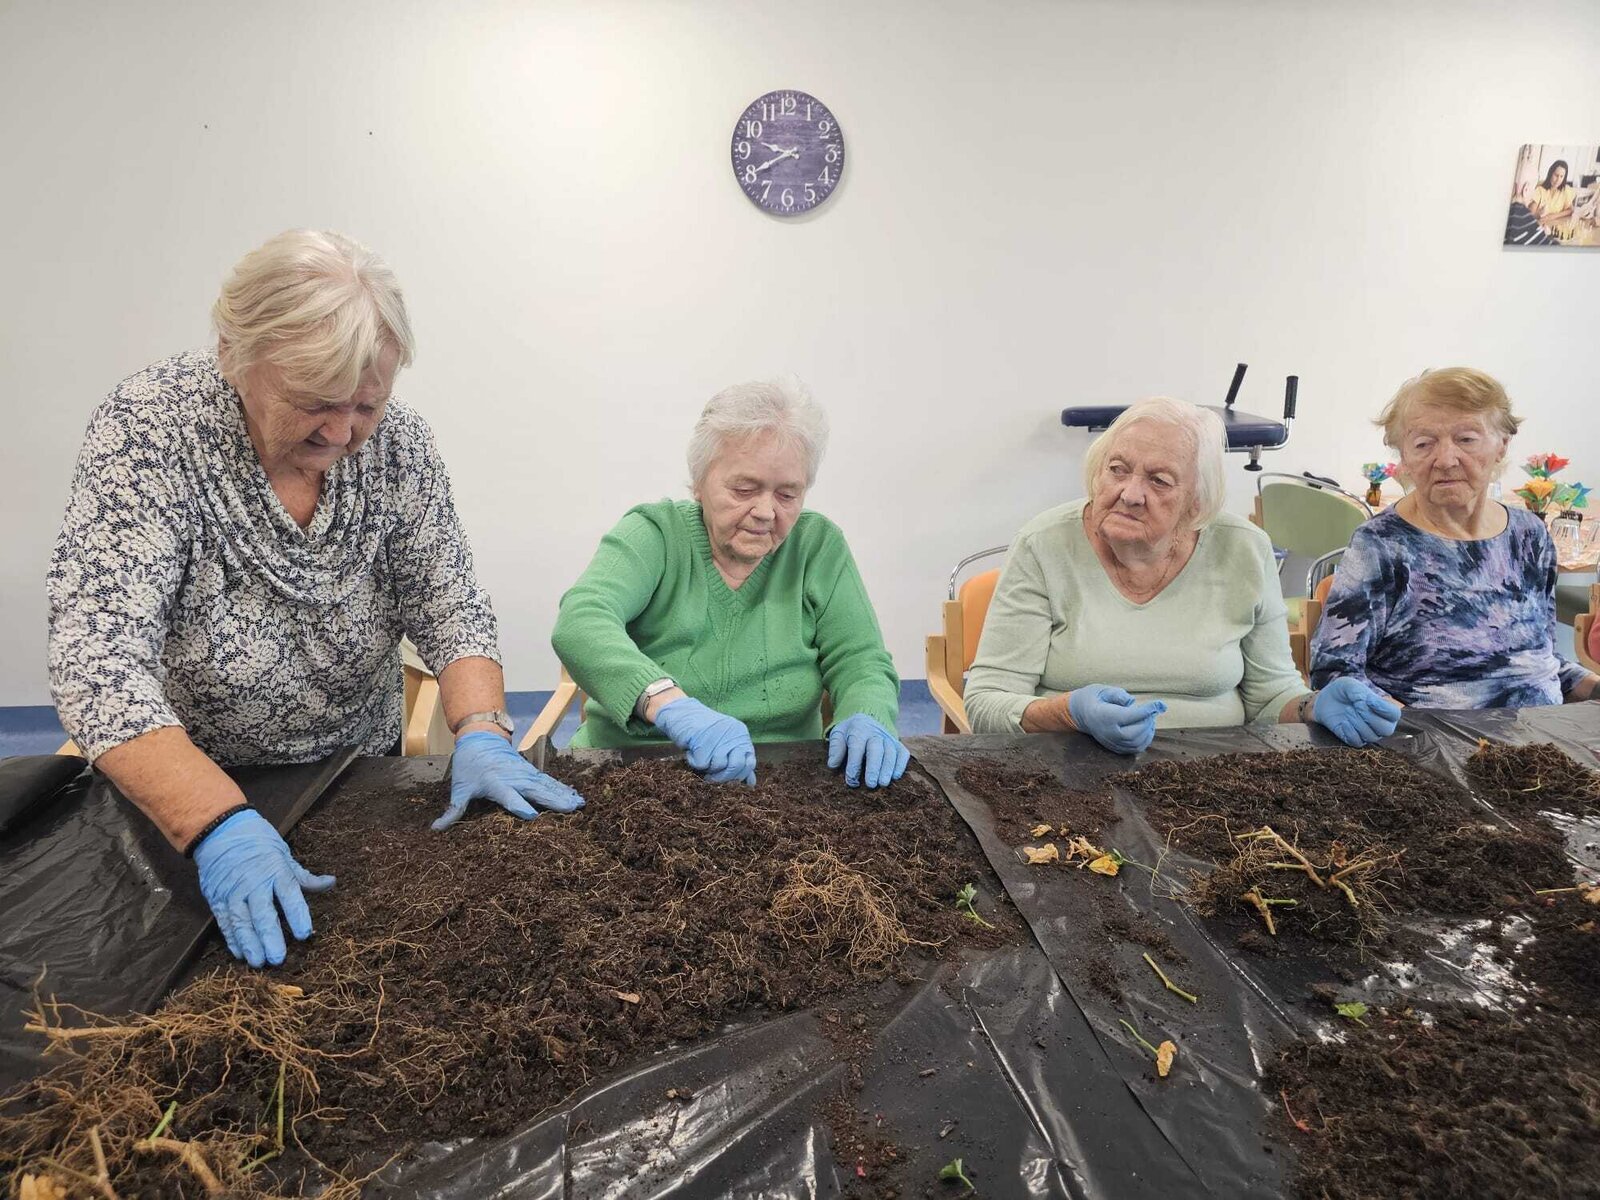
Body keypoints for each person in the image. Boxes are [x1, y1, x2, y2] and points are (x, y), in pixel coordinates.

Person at [48, 230, 584, 970]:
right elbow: (99, 662)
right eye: (314, 404)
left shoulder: (397, 447)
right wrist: (216, 824)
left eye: (367, 404)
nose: (342, 432)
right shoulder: (151, 431)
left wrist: (484, 728)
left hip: (355, 773)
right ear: (233, 355)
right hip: (194, 789)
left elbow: (449, 601)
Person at [963, 398, 1399, 753]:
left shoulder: (1244, 550)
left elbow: (1270, 696)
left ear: (1197, 504)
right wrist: (1068, 714)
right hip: (1068, 766)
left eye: (1159, 480)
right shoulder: (1044, 545)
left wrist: (1312, 706)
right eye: (1117, 469)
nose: (1130, 494)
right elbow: (987, 701)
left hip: (1213, 775)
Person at [551, 378, 908, 788]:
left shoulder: (818, 546)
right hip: (631, 770)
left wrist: (868, 712)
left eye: (787, 495)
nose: (766, 512)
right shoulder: (654, 534)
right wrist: (666, 702)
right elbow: (581, 621)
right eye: (744, 489)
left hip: (780, 779)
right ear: (699, 483)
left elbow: (860, 659)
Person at [1311, 368, 1599, 708]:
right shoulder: (1382, 545)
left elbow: (1539, 662)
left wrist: (1593, 688)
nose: (1446, 460)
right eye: (1424, 444)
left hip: (1540, 733)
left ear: (1502, 445)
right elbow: (1334, 674)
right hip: (1430, 737)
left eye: (1466, 439)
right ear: (1404, 457)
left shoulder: (1529, 536)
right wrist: (1417, 726)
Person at [1528, 160, 1576, 228]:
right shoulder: (1540, 190)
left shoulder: (1565, 190)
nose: (1558, 180)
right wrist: (1539, 214)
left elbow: (1570, 210)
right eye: (1556, 175)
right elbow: (1530, 214)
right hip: (1540, 227)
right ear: (1550, 174)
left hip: (1555, 225)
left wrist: (1552, 216)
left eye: (1561, 176)